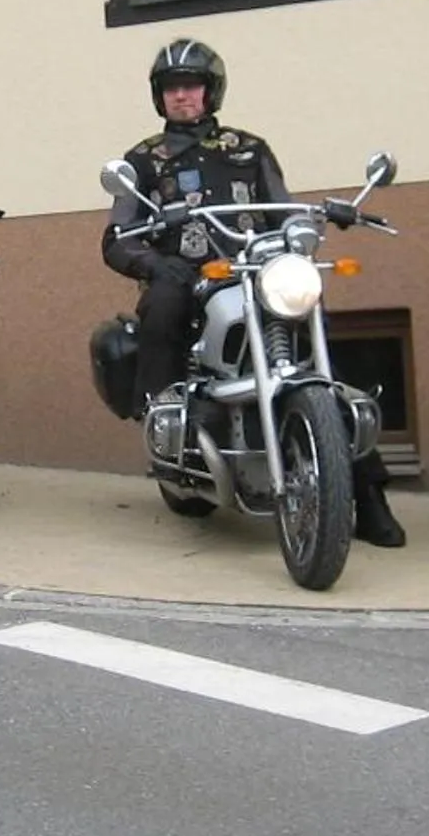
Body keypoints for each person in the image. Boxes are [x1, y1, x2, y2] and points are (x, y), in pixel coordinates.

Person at [100, 38, 407, 549]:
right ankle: (160, 408)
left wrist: (312, 225)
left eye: (191, 85)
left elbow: (281, 209)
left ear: (210, 91)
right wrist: (158, 264)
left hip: (257, 272)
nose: (182, 96)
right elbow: (117, 238)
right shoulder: (144, 160)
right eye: (172, 88)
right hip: (192, 278)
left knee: (313, 331)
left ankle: (368, 497)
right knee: (163, 303)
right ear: (160, 96)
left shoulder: (249, 149)